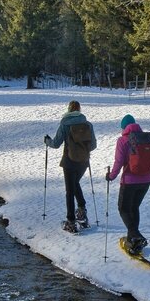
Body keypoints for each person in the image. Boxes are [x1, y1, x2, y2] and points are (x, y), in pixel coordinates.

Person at [105, 114, 150, 255]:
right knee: (134, 208)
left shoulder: (123, 140)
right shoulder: (145, 139)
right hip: (145, 181)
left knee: (123, 208)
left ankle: (136, 236)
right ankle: (132, 240)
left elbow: (118, 162)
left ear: (124, 128)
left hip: (129, 182)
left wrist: (111, 176)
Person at [44, 100, 97, 233]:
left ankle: (71, 221)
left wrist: (47, 141)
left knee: (70, 191)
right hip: (83, 161)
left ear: (69, 109)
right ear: (79, 109)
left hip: (69, 161)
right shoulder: (87, 124)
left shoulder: (65, 124)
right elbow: (93, 145)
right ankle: (82, 212)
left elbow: (56, 144)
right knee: (75, 183)